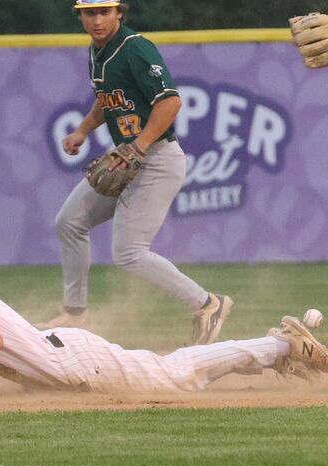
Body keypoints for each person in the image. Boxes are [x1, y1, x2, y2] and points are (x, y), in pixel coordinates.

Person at [0, 224, 328, 396]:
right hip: (56, 372)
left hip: (77, 364)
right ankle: (270, 354)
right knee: (175, 372)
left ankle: (279, 346)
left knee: (178, 375)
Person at [42, 0, 232, 346]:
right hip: (127, 158)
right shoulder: (98, 50)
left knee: (129, 253)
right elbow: (107, 98)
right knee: (68, 221)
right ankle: (75, 310)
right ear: (80, 16)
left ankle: (208, 304)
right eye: (89, 13)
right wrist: (83, 130)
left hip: (157, 159)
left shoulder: (135, 49)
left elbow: (170, 101)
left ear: (119, 13)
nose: (96, 20)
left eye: (104, 12)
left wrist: (138, 146)